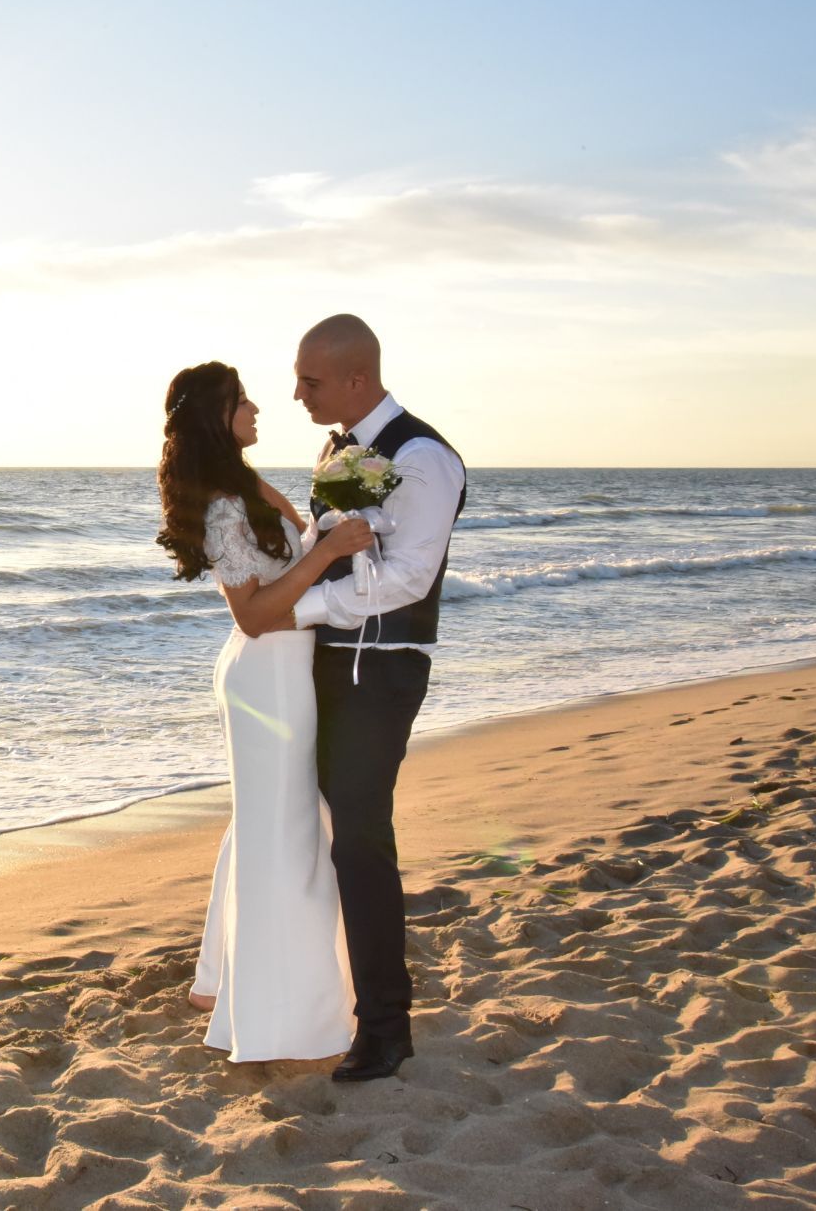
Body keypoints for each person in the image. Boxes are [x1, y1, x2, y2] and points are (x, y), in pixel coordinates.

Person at [155, 361, 374, 1062]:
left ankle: (217, 981)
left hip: (282, 669)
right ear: (216, 417)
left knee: (265, 821)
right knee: (285, 832)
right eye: (242, 401)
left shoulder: (246, 484)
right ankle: (281, 1018)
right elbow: (251, 614)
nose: (257, 409)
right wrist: (328, 550)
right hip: (268, 674)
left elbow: (290, 569)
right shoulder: (224, 504)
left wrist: (338, 523)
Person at [289, 314, 466, 1081]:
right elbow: (327, 548)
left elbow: (408, 579)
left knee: (361, 843)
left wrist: (301, 608)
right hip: (322, 664)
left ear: (357, 379)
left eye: (311, 381)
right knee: (322, 833)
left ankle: (386, 1028)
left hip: (379, 671)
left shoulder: (423, 457)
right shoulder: (340, 448)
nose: (297, 395)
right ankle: (320, 995)